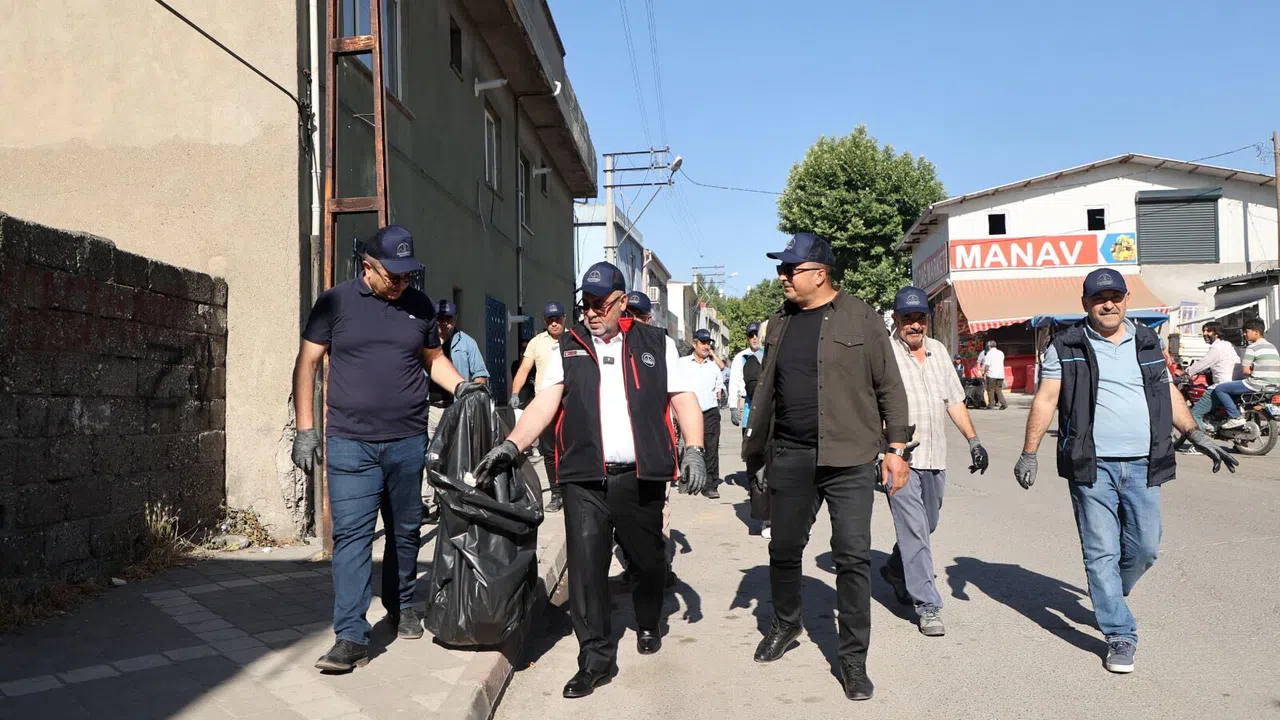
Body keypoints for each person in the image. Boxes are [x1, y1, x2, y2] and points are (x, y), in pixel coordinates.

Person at [472, 261, 708, 699]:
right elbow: (545, 403)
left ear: (622, 302)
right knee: (585, 570)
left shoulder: (655, 342)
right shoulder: (568, 346)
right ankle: (595, 658)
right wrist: (511, 446)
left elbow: (682, 398)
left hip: (640, 476)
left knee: (648, 561)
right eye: (587, 304)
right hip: (584, 477)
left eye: (601, 304)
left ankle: (648, 618)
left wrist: (694, 448)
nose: (592, 313)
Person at [1015, 268, 1237, 675]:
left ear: (1126, 299)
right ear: (1085, 303)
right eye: (1099, 298)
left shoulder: (1148, 341)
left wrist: (1195, 432)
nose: (1108, 304)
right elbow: (1046, 399)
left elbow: (1167, 391)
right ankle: (1120, 633)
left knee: (1146, 548)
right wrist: (1030, 452)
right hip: (1091, 465)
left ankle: (1111, 592)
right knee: (1100, 552)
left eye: (1115, 296)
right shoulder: (1066, 344)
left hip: (1144, 462)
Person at [289, 225, 485, 673]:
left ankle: (402, 605)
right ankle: (351, 636)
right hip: (349, 443)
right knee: (352, 536)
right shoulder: (335, 302)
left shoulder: (420, 305)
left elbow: (433, 360)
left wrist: (462, 388)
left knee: (405, 530)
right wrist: (305, 429)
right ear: (368, 267)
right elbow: (307, 362)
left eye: (407, 276)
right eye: (393, 276)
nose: (401, 284)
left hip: (407, 441)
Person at [742, 232, 911, 702]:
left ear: (820, 274)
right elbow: (769, 390)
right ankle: (786, 623)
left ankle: (853, 659)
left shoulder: (861, 316)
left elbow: (890, 386)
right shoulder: (779, 322)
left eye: (790, 269)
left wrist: (897, 448)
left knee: (852, 557)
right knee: (783, 547)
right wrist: (757, 451)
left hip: (850, 458)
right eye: (781, 269)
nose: (782, 277)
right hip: (791, 454)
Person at [881, 286, 989, 637]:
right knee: (914, 530)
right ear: (896, 318)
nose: (915, 325)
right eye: (908, 318)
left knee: (927, 523)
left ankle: (895, 569)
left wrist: (973, 441)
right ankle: (927, 604)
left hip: (935, 456)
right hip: (899, 459)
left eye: (920, 318)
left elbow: (954, 401)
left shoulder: (939, 351)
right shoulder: (883, 354)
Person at [422, 299, 489, 523]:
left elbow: (480, 375)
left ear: (455, 319)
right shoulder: (425, 342)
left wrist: (473, 399)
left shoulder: (467, 343)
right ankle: (427, 504)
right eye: (440, 319)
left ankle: (450, 503)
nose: (444, 323)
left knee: (453, 458)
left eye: (448, 319)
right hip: (429, 409)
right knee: (429, 456)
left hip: (456, 409)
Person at [510, 301, 568, 512]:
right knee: (549, 451)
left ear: (564, 319)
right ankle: (556, 493)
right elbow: (524, 368)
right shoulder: (536, 342)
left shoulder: (574, 339)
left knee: (569, 449)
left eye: (557, 319)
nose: (554, 323)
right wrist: (515, 392)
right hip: (545, 403)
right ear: (545, 321)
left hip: (569, 403)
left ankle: (572, 490)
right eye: (550, 320)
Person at [682, 329, 726, 500]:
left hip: (710, 413)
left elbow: (719, 388)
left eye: (708, 343)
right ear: (694, 344)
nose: (706, 346)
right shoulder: (683, 363)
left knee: (711, 449)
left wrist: (721, 394)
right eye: (703, 342)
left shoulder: (713, 367)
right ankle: (689, 480)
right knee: (690, 448)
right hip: (689, 413)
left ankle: (711, 485)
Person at [1214, 319, 1280, 429]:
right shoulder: (1272, 346)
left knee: (1220, 388)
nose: (1244, 334)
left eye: (1246, 331)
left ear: (1256, 332)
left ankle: (1235, 417)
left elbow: (1245, 371)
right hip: (1273, 385)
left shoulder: (1252, 347)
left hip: (1257, 384)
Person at [1181, 321, 1239, 431]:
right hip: (1235, 384)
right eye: (1204, 331)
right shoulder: (1230, 346)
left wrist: (1184, 372)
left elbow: (1203, 362)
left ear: (1217, 333)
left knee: (1194, 414)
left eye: (1208, 331)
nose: (1204, 333)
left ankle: (1200, 440)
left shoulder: (1217, 348)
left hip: (1222, 385)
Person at [981, 340, 1007, 409]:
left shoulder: (989, 353)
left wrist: (984, 373)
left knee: (990, 389)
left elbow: (987, 365)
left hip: (992, 374)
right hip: (1000, 374)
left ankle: (991, 404)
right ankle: (1004, 403)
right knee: (998, 389)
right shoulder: (1001, 352)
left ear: (989, 346)